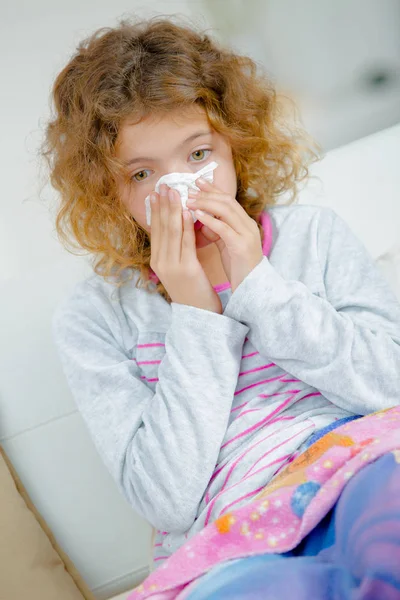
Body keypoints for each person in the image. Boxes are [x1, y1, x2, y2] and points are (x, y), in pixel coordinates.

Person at [42, 16, 400, 568]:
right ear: (106, 189)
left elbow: (390, 383)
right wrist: (194, 312)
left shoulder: (313, 237)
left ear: (234, 144)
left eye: (198, 154)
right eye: (142, 175)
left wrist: (260, 286)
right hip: (234, 534)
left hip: (359, 471)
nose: (181, 189)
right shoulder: (96, 318)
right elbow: (165, 501)